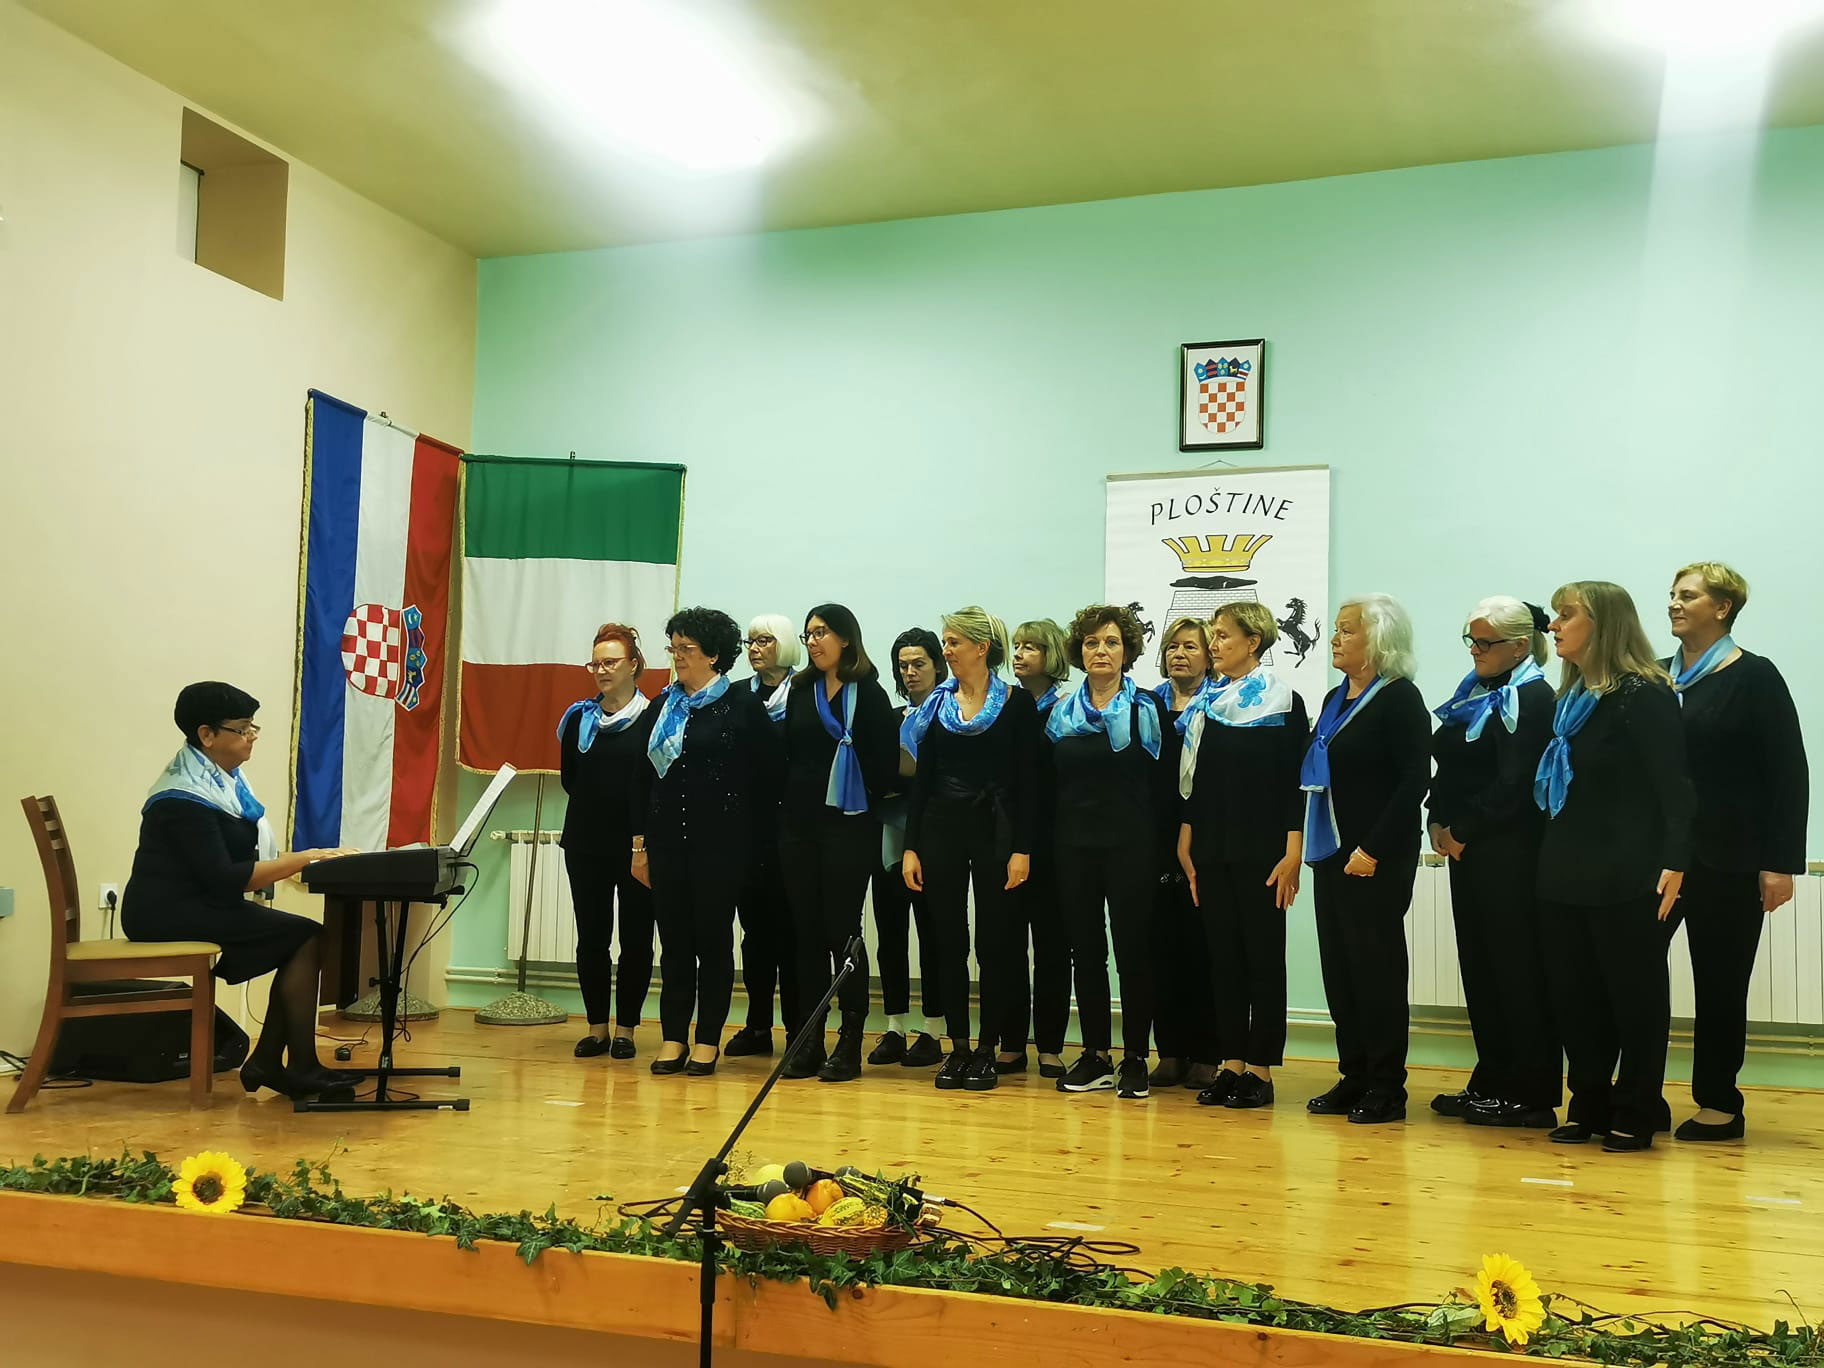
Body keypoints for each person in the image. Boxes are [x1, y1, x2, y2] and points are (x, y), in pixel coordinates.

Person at [122, 682, 358, 1100]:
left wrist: (307, 858)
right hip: (164, 912)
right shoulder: (182, 797)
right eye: (242, 728)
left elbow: (232, 869)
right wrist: (308, 858)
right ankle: (289, 1064)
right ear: (207, 734)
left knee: (306, 937)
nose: (252, 736)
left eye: (253, 727)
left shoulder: (222, 780)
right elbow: (230, 877)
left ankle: (276, 1061)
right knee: (306, 936)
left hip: (201, 902)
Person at [1534, 581, 1694, 1152]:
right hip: (1565, 868)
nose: (1554, 625)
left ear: (1602, 624)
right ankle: (1589, 1104)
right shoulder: (1571, 698)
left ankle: (1637, 1107)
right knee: (1575, 997)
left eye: (1566, 615)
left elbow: (1675, 787)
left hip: (1628, 870)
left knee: (1634, 998)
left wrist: (1676, 860)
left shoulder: (1643, 694)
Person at [1661, 562, 1807, 1143]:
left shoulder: (1755, 676)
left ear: (1722, 608)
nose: (1674, 603)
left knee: (1721, 985)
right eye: (1672, 594)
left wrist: (1781, 863)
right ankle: (1637, 1093)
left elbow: (1788, 774)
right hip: (1661, 859)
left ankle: (1719, 1104)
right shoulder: (1655, 677)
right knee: (1635, 971)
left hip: (1732, 859)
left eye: (1688, 595)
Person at [1425, 598, 1559, 1127]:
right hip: (1468, 849)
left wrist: (1463, 829)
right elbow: (1451, 763)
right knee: (1480, 968)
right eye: (1471, 640)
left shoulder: (1534, 696)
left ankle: (1531, 1092)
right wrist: (1437, 818)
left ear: (1521, 645)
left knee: (1517, 970)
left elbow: (1517, 782)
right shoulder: (1475, 693)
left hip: (1510, 852)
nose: (1475, 651)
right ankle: (1493, 1078)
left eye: (1485, 642)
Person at [631, 607, 781, 1077]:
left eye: (687, 648)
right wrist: (640, 847)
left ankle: (707, 1039)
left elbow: (767, 779)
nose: (677, 656)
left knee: (713, 943)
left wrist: (755, 846)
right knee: (674, 944)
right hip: (667, 844)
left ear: (714, 655)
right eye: (673, 647)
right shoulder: (662, 707)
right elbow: (641, 780)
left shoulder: (741, 705)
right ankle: (673, 1035)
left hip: (722, 847)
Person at [1302, 595, 1431, 1125]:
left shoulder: (1400, 698)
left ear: (1378, 639)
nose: (1335, 638)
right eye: (1336, 629)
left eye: (1346, 630)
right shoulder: (1335, 697)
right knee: (1340, 971)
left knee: (1376, 972)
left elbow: (1413, 781)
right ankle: (1353, 1074)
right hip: (1332, 853)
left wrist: (1372, 849)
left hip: (1376, 856)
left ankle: (1386, 1086)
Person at [902, 606, 1041, 1094]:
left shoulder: (1016, 704)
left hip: (996, 832)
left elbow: (1030, 783)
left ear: (981, 648)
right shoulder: (937, 704)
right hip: (941, 829)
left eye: (954, 641)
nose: (946, 650)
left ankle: (987, 1048)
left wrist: (1023, 848)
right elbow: (922, 781)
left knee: (995, 944)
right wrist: (911, 847)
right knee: (947, 941)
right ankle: (958, 1047)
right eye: (945, 641)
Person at [1176, 602, 1308, 1110]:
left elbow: (1295, 783)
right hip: (1212, 846)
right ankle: (1230, 1063)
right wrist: (1187, 836)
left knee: (1262, 958)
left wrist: (1293, 849)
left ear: (1253, 642)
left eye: (1223, 635)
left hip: (1263, 850)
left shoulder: (1283, 700)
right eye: (1212, 635)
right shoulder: (1207, 703)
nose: (1214, 644)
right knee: (1223, 958)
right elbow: (1198, 781)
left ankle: (1260, 1069)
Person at [1047, 604, 1175, 1100]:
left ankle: (1136, 1057)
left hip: (1132, 847)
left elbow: (1165, 786)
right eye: (1092, 642)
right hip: (1073, 847)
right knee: (1086, 953)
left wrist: (1164, 852)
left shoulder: (1147, 707)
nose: (1101, 650)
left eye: (1112, 642)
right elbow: (1048, 785)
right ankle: (1096, 1054)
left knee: (1134, 952)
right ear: (1079, 651)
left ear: (1127, 651)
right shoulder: (1060, 712)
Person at [779, 605, 900, 1083]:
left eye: (821, 632)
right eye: (808, 634)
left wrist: (854, 791)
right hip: (799, 827)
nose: (812, 641)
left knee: (841, 931)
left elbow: (885, 766)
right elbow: (789, 753)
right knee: (805, 933)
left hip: (849, 827)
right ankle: (810, 1038)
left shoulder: (868, 693)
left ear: (846, 638)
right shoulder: (801, 689)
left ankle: (850, 1040)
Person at [557, 624, 656, 1061]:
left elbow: (653, 785)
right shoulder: (579, 719)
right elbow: (570, 780)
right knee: (591, 938)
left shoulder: (653, 717)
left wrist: (642, 843)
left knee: (636, 939)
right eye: (595, 663)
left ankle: (626, 1029)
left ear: (633, 665)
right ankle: (597, 1027)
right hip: (585, 844)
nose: (601, 670)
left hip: (637, 847)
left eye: (610, 662)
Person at [867, 627, 946, 1069]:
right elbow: (880, 775)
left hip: (933, 839)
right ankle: (895, 1025)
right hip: (889, 838)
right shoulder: (893, 716)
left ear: (937, 665)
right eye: (903, 665)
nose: (910, 672)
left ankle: (933, 1030)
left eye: (919, 663)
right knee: (890, 934)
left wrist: (905, 780)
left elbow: (936, 780)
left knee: (934, 936)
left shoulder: (950, 713)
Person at [724, 614, 802, 1058]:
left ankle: (797, 1031)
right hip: (748, 832)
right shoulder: (736, 696)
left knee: (792, 937)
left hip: (793, 831)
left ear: (785, 645)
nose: (754, 649)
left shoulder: (807, 692)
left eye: (765, 641)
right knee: (754, 937)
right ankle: (757, 1026)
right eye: (750, 641)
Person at [1149, 617, 1220, 1091]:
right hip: (1154, 839)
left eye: (1191, 647)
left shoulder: (1222, 705)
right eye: (1173, 646)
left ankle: (1207, 1053)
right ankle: (1170, 1051)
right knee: (1161, 948)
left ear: (1210, 656)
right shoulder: (1148, 705)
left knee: (1204, 948)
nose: (1179, 654)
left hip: (1205, 837)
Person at [1008, 618, 1073, 1079]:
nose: (1019, 654)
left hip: (1054, 840)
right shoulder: (1004, 705)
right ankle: (1011, 1043)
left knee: (1052, 945)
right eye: (1016, 646)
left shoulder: (1067, 709)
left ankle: (1050, 1045)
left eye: (1030, 647)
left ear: (1051, 655)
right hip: (1008, 838)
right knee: (1008, 944)